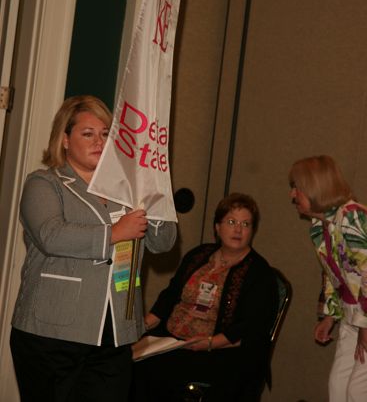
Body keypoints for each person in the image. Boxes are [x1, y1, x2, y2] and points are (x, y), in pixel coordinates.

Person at [10, 95, 177, 402]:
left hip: (115, 335)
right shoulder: (44, 184)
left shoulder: (127, 189)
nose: (99, 141)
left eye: (105, 134)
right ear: (64, 139)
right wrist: (114, 232)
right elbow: (51, 236)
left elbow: (163, 242)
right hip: (52, 333)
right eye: (88, 134)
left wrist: (155, 193)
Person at [131, 192, 279, 402]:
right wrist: (142, 326)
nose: (238, 229)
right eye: (231, 221)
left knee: (158, 372)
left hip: (219, 351)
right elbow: (172, 294)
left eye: (246, 224)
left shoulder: (259, 273)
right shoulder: (199, 255)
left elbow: (252, 327)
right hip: (171, 339)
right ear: (217, 227)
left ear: (252, 231)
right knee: (128, 364)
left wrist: (210, 342)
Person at [289, 155, 367, 402]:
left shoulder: (352, 217)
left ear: (314, 188)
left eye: (296, 188)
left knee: (357, 392)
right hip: (352, 313)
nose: (292, 195)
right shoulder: (319, 225)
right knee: (337, 387)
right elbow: (336, 276)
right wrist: (330, 316)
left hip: (365, 315)